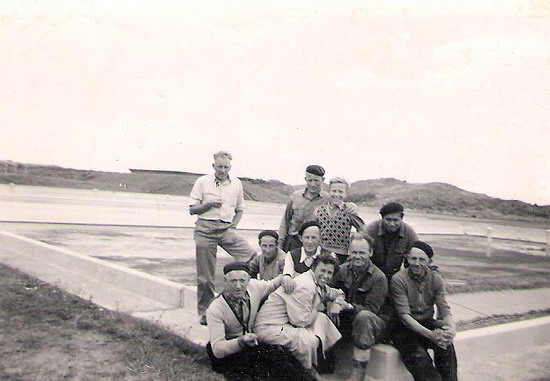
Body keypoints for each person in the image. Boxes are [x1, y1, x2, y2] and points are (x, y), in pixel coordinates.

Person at [207, 261, 311, 379]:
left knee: (281, 354)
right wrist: (241, 341)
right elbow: (217, 350)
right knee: (262, 369)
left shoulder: (254, 288)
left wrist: (286, 277)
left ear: (249, 280)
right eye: (233, 281)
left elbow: (273, 284)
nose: (238, 286)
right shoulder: (216, 308)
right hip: (228, 353)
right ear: (225, 281)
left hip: (250, 345)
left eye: (242, 281)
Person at [189, 151, 256, 325]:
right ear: (213, 166)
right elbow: (192, 209)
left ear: (230, 167)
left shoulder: (236, 184)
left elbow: (240, 208)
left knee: (252, 258)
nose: (223, 170)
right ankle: (206, 312)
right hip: (205, 229)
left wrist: (233, 226)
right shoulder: (202, 182)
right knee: (205, 276)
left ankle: (234, 300)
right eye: (219, 166)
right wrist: (208, 204)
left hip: (226, 229)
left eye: (226, 167)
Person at [254, 253, 344, 379]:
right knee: (308, 340)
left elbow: (338, 293)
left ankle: (313, 367)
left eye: (329, 272)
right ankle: (309, 372)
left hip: (284, 325)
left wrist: (337, 303)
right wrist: (317, 308)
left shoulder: (316, 283)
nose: (325, 276)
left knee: (322, 319)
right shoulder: (306, 285)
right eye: (322, 270)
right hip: (268, 328)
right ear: (313, 268)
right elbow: (300, 321)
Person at [390, 241, 458, 381]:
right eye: (413, 258)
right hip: (404, 328)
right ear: (408, 259)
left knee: (446, 343)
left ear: (429, 261)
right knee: (421, 359)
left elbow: (444, 308)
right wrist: (431, 335)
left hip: (426, 322)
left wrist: (452, 329)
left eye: (421, 259)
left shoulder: (436, 279)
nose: (416, 263)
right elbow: (404, 316)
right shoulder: (399, 279)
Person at [331, 233, 389, 381]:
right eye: (354, 252)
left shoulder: (378, 277)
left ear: (370, 253)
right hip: (348, 321)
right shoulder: (342, 270)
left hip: (373, 326)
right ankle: (323, 362)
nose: (357, 256)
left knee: (364, 317)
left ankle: (359, 371)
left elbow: (372, 310)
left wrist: (348, 306)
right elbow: (329, 290)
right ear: (349, 252)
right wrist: (334, 302)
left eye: (362, 253)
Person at [278, 165, 358, 252]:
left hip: (314, 244)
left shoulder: (328, 198)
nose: (313, 184)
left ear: (323, 180)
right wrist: (280, 245)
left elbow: (340, 203)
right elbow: (285, 222)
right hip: (293, 242)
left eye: (316, 180)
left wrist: (353, 206)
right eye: (310, 180)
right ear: (305, 179)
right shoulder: (295, 196)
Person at [314, 177, 366, 263]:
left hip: (343, 255)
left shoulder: (349, 210)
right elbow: (313, 230)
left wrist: (355, 241)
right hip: (323, 253)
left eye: (341, 191)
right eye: (334, 191)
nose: (337, 194)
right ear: (329, 191)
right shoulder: (319, 211)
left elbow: (363, 229)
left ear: (346, 194)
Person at [364, 201, 418, 279]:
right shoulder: (370, 230)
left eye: (395, 220)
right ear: (382, 218)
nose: (392, 223)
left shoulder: (409, 232)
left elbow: (418, 254)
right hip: (371, 276)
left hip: (394, 277)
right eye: (388, 220)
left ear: (401, 218)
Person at [280, 221, 331, 294]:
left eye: (314, 238)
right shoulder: (292, 255)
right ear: (300, 238)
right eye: (307, 237)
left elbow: (330, 282)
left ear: (320, 238)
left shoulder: (328, 255)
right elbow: (287, 275)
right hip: (298, 293)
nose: (310, 242)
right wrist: (286, 278)